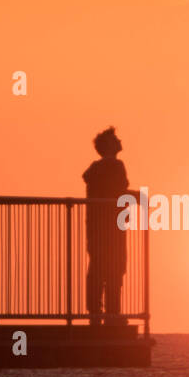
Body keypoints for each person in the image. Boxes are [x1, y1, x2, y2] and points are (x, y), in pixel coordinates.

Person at [82, 127, 129, 324]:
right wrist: (137, 197)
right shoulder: (116, 166)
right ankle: (112, 315)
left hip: (96, 228)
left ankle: (96, 313)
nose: (119, 140)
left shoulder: (94, 169)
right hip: (112, 227)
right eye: (115, 138)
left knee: (97, 270)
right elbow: (117, 191)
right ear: (108, 145)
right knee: (114, 269)